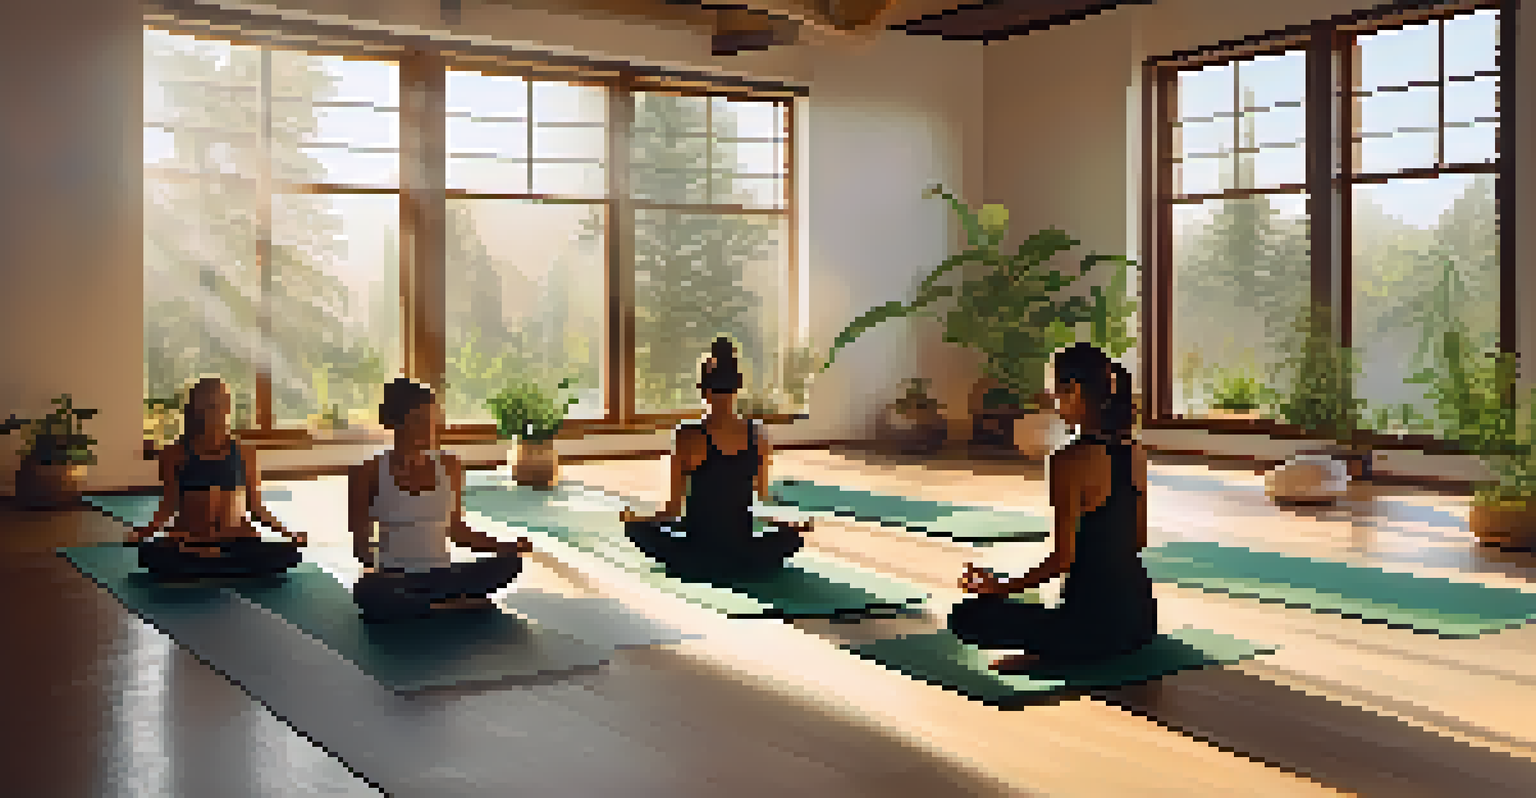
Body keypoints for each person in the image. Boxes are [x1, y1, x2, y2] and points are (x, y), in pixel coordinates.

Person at [948, 343, 1156, 673]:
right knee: (1050, 608)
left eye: (1054, 390)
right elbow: (1138, 539)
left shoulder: (1067, 460)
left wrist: (998, 587)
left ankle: (1056, 650)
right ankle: (1064, 636)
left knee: (966, 617)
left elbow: (1063, 559)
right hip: (1141, 621)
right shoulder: (1135, 452)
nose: (1051, 400)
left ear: (1072, 390)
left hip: (1091, 630)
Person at [620, 337, 812, 582]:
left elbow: (672, 510)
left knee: (636, 529)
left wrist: (636, 517)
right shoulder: (760, 435)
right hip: (743, 552)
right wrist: (791, 524)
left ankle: (699, 559)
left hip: (696, 553)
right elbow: (761, 499)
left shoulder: (686, 435)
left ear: (703, 389)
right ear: (738, 388)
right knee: (793, 538)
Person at [350, 377, 532, 623]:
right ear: (394, 421)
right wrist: (374, 569)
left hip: (444, 575)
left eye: (432, 420)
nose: (429, 428)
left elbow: (457, 531)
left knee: (510, 564)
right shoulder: (367, 472)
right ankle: (449, 604)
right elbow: (361, 544)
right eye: (419, 420)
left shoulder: (449, 466)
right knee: (369, 590)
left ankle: (428, 604)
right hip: (397, 577)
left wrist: (507, 547)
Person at [130, 377, 306, 580]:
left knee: (289, 555)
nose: (219, 411)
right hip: (191, 540)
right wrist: (144, 532)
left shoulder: (245, 452)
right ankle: (218, 561)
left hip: (236, 540)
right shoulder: (174, 453)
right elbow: (168, 506)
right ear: (196, 409)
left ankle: (213, 562)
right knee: (150, 555)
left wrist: (288, 533)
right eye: (212, 405)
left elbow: (256, 508)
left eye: (223, 403)